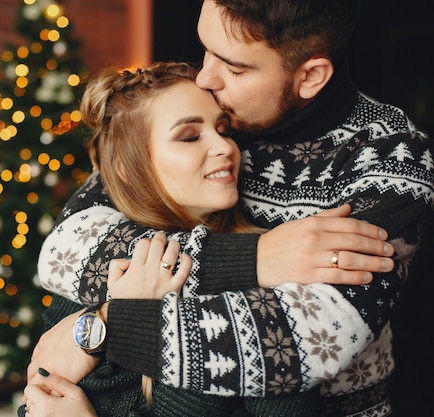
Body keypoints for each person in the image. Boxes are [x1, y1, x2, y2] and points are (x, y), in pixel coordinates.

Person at [27, 0, 434, 416]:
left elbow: (307, 340)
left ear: (309, 76)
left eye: (235, 68)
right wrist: (257, 258)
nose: (205, 76)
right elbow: (67, 249)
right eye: (205, 48)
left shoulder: (388, 154)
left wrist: (107, 327)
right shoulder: (207, 107)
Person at [20, 61, 345, 417]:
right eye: (190, 136)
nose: (224, 147)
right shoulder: (97, 275)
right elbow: (38, 401)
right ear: (127, 170)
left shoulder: (272, 288)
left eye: (224, 129)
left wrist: (132, 320)